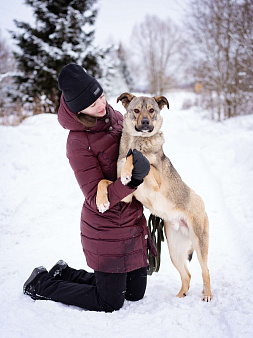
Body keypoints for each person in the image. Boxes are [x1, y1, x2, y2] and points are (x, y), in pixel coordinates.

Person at [23, 63, 157, 312]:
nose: (101, 103)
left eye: (101, 95)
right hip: (105, 227)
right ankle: (42, 284)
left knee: (135, 294)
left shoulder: (115, 117)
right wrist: (133, 179)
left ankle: (66, 272)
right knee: (110, 301)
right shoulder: (77, 142)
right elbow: (97, 199)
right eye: (92, 102)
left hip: (132, 221)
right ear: (77, 109)